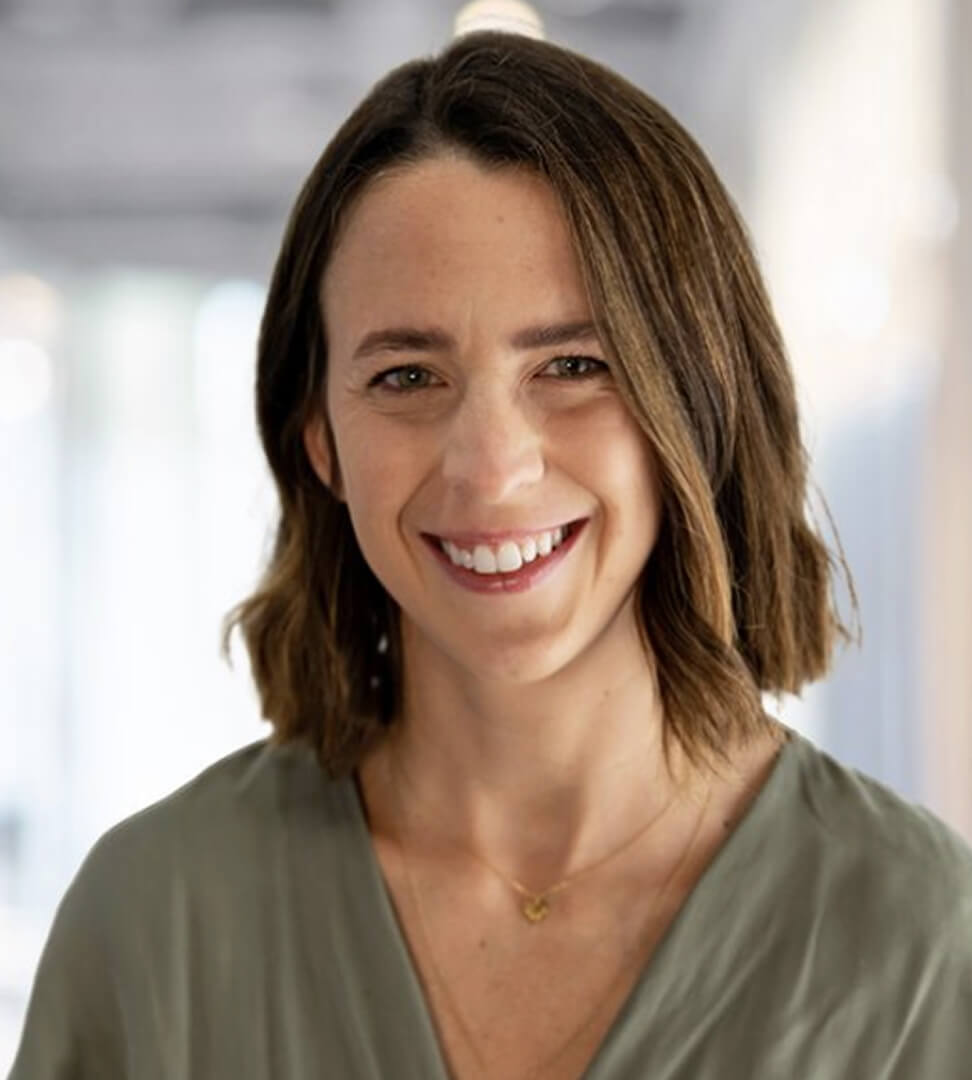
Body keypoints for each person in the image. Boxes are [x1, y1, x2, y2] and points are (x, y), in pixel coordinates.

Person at [10, 26, 972, 1080]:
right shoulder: (157, 924)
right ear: (319, 441)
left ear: (696, 406)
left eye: (572, 362)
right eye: (407, 378)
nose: (490, 469)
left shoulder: (923, 942)